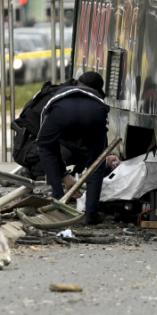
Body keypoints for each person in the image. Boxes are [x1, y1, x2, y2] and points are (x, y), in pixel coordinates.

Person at [36, 71, 111, 224]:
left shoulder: (60, 93)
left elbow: (46, 144)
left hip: (62, 112)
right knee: (97, 160)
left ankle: (57, 200)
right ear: (97, 90)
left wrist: (64, 175)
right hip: (94, 113)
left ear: (77, 83)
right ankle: (91, 214)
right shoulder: (97, 98)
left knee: (45, 146)